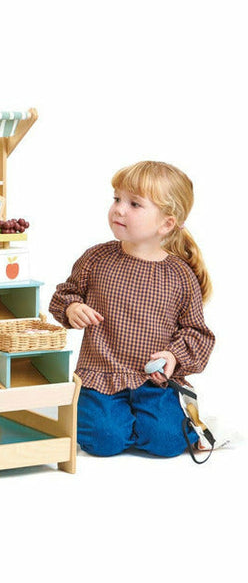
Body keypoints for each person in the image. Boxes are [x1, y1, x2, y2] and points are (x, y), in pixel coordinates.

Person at [49, 160, 215, 457]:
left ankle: (157, 421)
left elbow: (197, 332)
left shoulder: (180, 275)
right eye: (117, 199)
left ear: (166, 224)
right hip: (101, 375)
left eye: (134, 204)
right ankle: (118, 421)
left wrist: (173, 356)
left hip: (154, 381)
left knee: (168, 442)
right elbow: (64, 295)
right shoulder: (96, 259)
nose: (119, 209)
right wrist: (72, 308)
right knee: (104, 440)